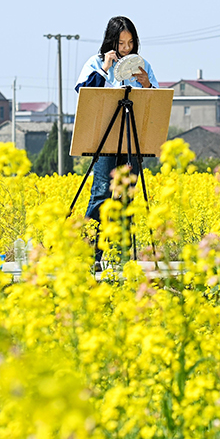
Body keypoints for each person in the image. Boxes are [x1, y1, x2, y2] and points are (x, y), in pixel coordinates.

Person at [74, 16, 157, 265]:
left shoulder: (143, 65)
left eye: (130, 43)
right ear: (111, 41)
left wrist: (148, 85)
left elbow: (155, 105)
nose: (126, 48)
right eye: (121, 43)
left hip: (132, 140)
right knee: (101, 194)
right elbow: (84, 93)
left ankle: (121, 257)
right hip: (104, 142)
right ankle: (91, 255)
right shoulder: (95, 62)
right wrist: (104, 69)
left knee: (126, 197)